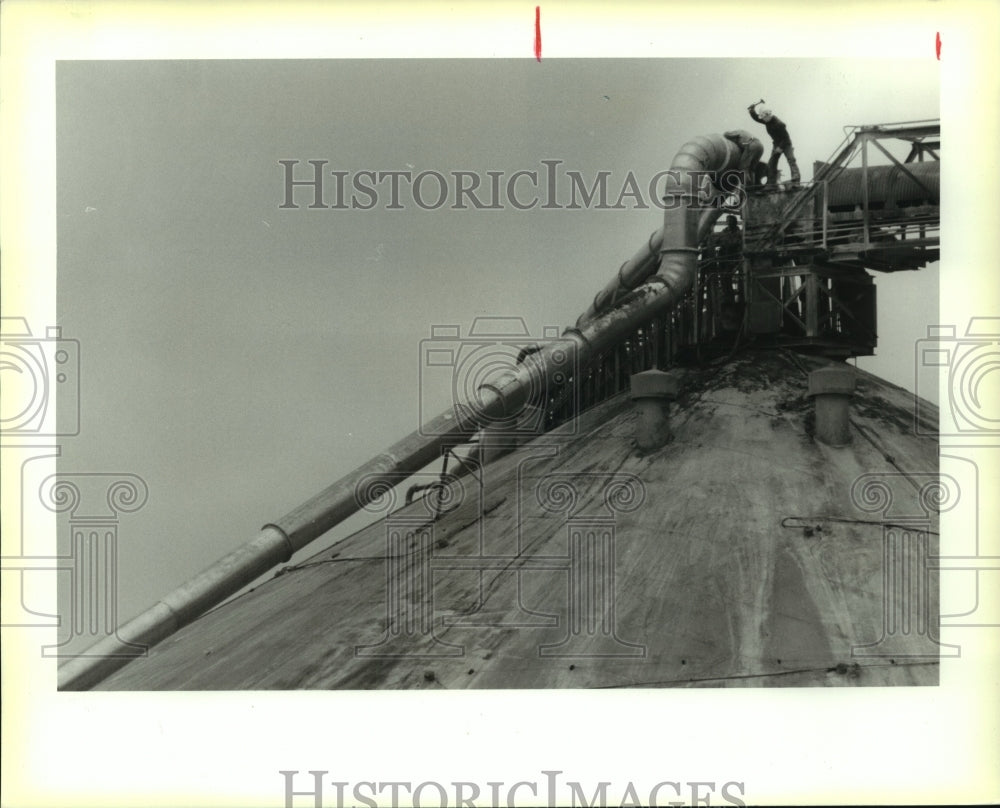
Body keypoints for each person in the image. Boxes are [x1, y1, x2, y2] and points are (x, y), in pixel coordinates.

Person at [748, 102, 800, 188]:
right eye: (763, 118)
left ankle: (796, 182)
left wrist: (780, 147)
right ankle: (771, 185)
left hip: (786, 144)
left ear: (768, 115)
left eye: (764, 117)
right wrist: (752, 111)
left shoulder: (779, 124)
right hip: (776, 143)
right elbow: (757, 118)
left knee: (791, 160)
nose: (763, 119)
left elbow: (786, 138)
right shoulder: (767, 121)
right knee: (772, 163)